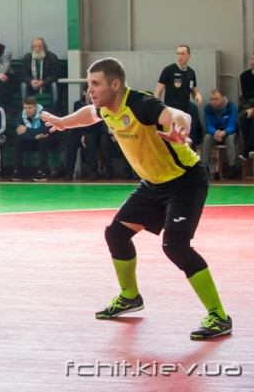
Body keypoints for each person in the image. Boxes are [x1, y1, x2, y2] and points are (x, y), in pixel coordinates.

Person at [41, 57, 232, 340]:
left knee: (175, 246)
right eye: (89, 84)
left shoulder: (141, 104)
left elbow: (179, 115)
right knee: (116, 234)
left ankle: (219, 315)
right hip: (153, 185)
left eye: (95, 84)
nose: (90, 89)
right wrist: (63, 123)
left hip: (185, 182)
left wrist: (180, 130)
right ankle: (130, 296)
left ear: (115, 85)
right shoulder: (106, 108)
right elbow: (90, 114)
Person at [10, 96, 57, 182]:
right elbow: (20, 132)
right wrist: (34, 136)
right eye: (25, 108)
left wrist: (27, 130)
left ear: (35, 106)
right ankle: (17, 171)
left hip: (50, 139)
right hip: (34, 139)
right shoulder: (22, 114)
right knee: (19, 141)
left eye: (30, 108)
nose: (27, 110)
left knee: (43, 140)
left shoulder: (44, 114)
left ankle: (42, 172)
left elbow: (44, 132)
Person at [63, 90, 103, 181]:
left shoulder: (98, 104)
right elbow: (78, 120)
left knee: (89, 140)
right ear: (84, 92)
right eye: (90, 93)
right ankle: (69, 172)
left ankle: (94, 172)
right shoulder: (77, 104)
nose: (92, 95)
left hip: (93, 131)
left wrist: (85, 134)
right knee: (72, 141)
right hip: (80, 130)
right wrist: (82, 133)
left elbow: (97, 123)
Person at [201, 89, 238, 180]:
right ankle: (204, 168)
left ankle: (233, 168)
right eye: (212, 99)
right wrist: (215, 132)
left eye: (216, 99)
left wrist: (224, 133)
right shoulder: (208, 109)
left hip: (228, 133)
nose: (213, 102)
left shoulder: (231, 107)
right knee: (207, 138)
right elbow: (208, 126)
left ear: (223, 98)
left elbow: (232, 125)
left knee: (230, 139)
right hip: (215, 133)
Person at [155, 45, 202, 112]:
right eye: (178, 53)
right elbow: (158, 92)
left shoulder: (191, 72)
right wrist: (156, 107)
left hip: (185, 109)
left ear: (189, 56)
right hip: (171, 109)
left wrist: (198, 95)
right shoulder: (169, 70)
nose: (180, 56)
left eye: (182, 54)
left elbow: (194, 91)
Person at [20, 37, 61, 113]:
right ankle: (26, 110)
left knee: (54, 85)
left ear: (44, 47)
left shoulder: (52, 57)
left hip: (47, 83)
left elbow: (55, 74)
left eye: (39, 46)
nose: (37, 49)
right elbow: (23, 74)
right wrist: (31, 81)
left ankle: (54, 111)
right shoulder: (27, 58)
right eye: (35, 47)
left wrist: (43, 82)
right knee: (23, 85)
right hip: (32, 84)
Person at [238, 53, 254, 161]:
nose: (253, 61)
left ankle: (248, 147)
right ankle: (250, 146)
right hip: (247, 103)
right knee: (242, 117)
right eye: (252, 59)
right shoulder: (244, 76)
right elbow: (246, 94)